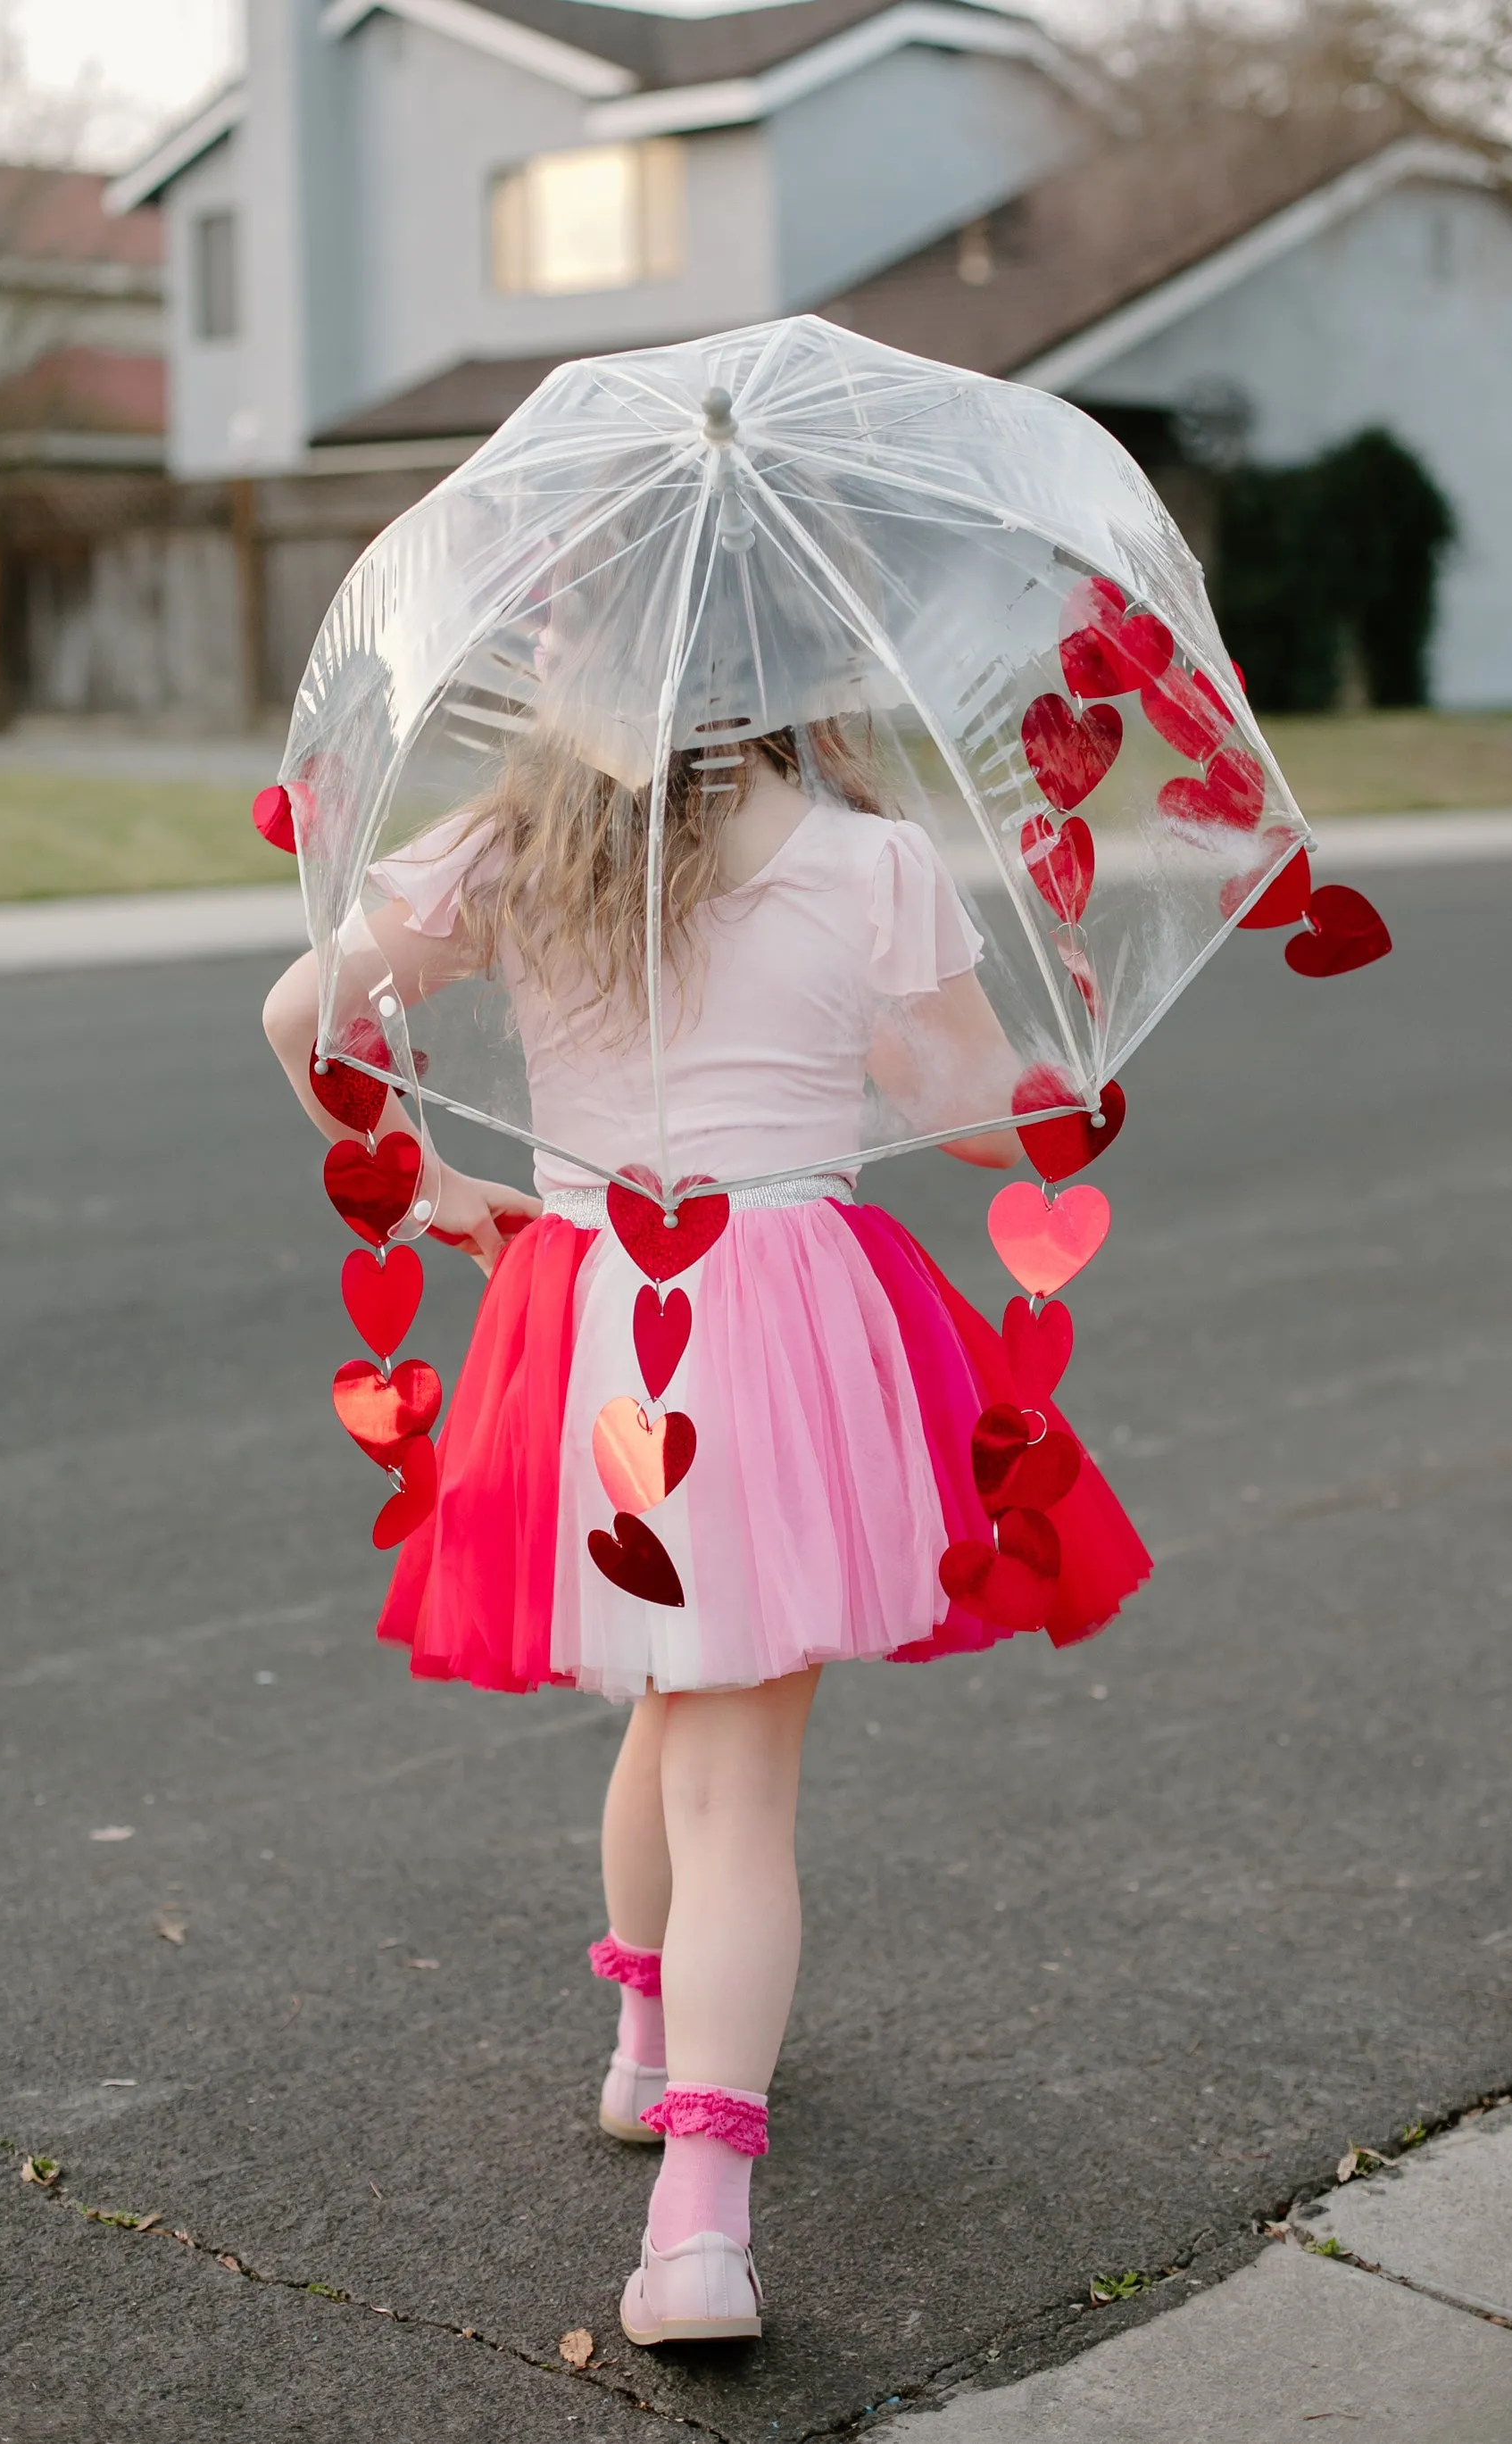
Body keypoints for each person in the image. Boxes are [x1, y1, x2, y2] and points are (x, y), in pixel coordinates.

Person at [262, 714, 1151, 2346]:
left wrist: (431, 1188)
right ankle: (698, 2232)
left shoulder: (517, 846)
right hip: (787, 1331)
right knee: (738, 1777)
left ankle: (645, 2054)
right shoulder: (866, 860)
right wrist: (1075, 1078)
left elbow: (302, 1014)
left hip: (597, 1319)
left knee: (677, 1697)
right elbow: (970, 1113)